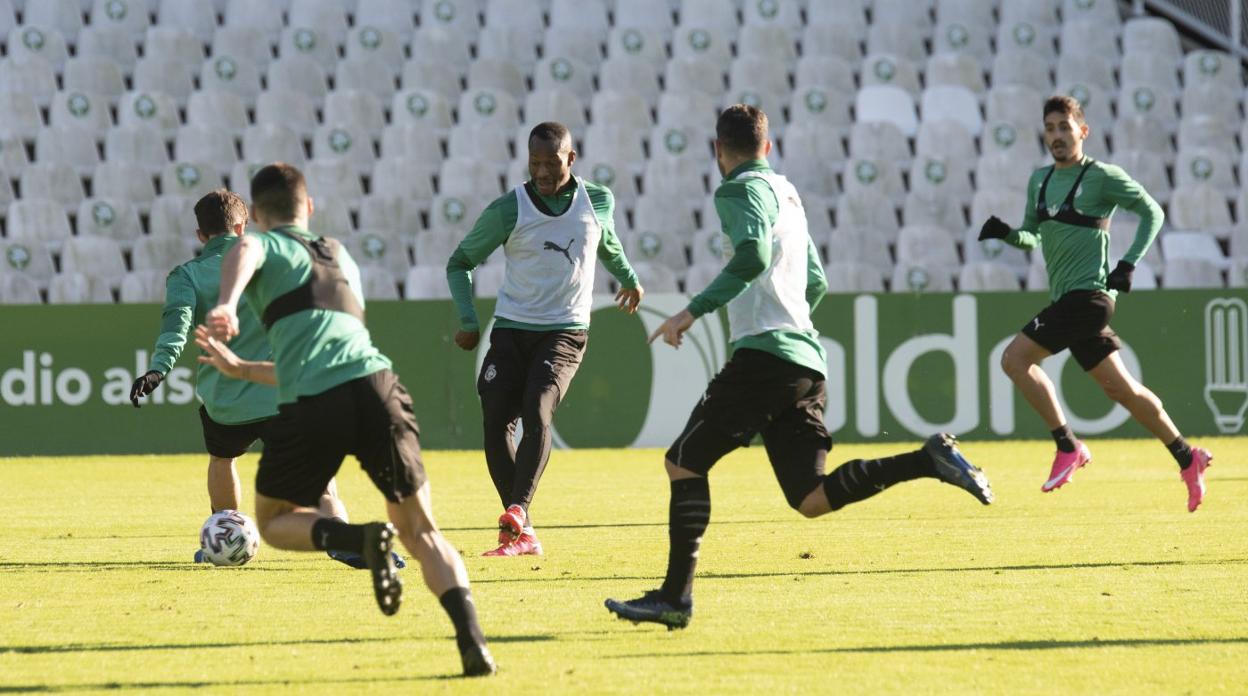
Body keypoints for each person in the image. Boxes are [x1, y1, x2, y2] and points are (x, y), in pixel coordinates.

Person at [603, 105, 994, 630]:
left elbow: (752, 256)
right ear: (769, 146)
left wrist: (690, 312)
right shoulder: (787, 193)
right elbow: (816, 281)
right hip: (806, 361)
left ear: (717, 150)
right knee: (810, 498)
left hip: (766, 358)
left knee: (684, 461)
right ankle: (928, 460)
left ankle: (675, 598)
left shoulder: (736, 191)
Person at [198, 163, 494, 676]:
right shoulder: (341, 254)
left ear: (258, 217)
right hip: (379, 387)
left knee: (270, 522)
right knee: (422, 532)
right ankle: (474, 644)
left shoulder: (262, 244)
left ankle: (354, 539)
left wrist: (227, 305)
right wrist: (244, 368)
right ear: (309, 208)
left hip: (318, 402)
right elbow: (328, 354)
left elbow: (245, 250)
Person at [978, 95, 1213, 511]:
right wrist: (1008, 234)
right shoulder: (1040, 181)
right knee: (1121, 389)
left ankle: (1068, 446)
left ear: (1082, 131)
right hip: (1071, 301)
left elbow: (1152, 212)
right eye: (1050, 128)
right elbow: (1034, 235)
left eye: (1064, 128)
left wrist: (1127, 264)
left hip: (1090, 298)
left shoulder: (1102, 176)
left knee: (1015, 360)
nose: (1057, 136)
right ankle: (1186, 456)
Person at [129, 189, 385, 569]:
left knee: (222, 458)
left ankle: (223, 534)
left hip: (225, 400)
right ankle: (344, 538)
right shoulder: (273, 263)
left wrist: (159, 368)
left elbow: (176, 326)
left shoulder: (187, 275)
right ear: (242, 224)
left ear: (201, 235)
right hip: (281, 390)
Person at [446, 121, 644, 557]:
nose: (541, 171)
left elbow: (605, 243)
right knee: (497, 421)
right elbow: (460, 262)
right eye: (534, 162)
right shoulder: (509, 208)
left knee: (538, 406)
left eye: (550, 163)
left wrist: (629, 278)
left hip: (565, 329)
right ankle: (523, 531)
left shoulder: (598, 201)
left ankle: (517, 509)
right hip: (512, 328)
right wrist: (468, 319)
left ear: (570, 159)